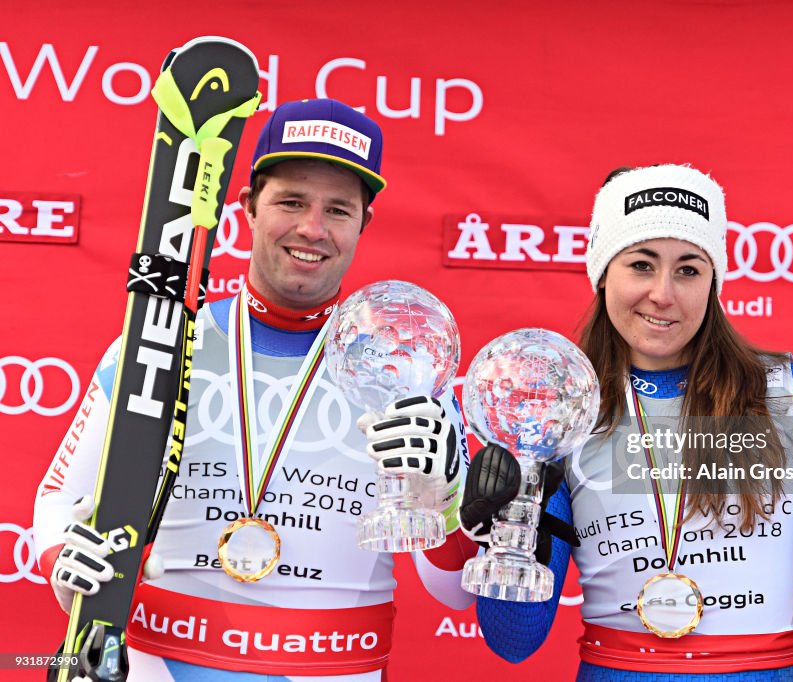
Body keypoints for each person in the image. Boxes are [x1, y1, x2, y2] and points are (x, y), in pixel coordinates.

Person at [34, 98, 478, 681]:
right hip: (157, 663)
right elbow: (57, 503)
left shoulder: (409, 373)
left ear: (363, 224)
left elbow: (453, 595)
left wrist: (442, 499)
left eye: (338, 210)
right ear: (246, 206)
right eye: (291, 202)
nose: (312, 229)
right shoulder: (158, 346)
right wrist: (65, 561)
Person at [460, 164, 793, 681]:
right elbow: (513, 641)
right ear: (602, 272)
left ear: (713, 282)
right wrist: (510, 537)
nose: (663, 293)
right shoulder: (563, 409)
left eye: (688, 269)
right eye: (641, 265)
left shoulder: (789, 393)